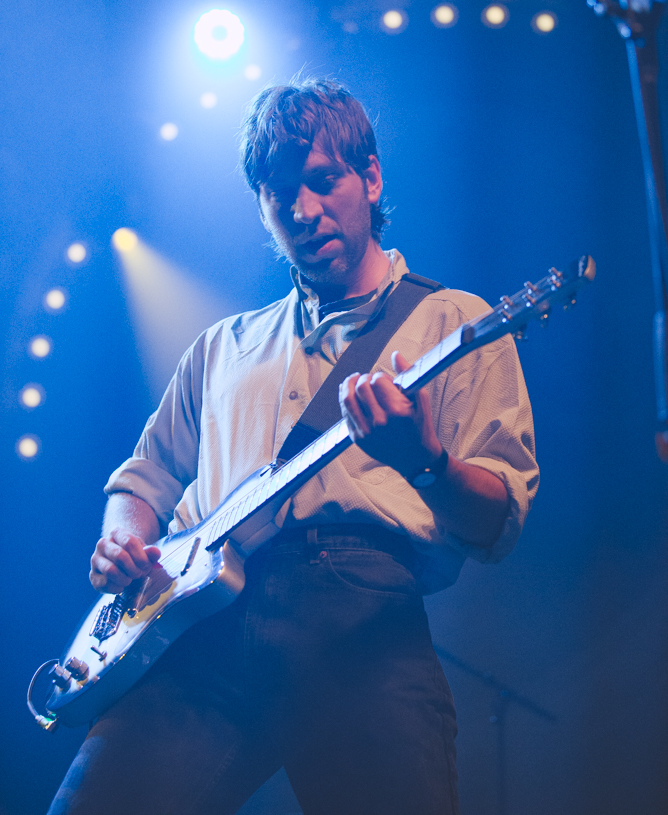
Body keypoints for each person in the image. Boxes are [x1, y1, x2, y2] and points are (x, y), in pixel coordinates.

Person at [48, 78, 538, 815]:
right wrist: (123, 540)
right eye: (281, 193)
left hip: (360, 620)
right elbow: (142, 480)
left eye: (323, 180)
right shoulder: (223, 345)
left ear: (371, 179)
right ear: (261, 208)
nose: (304, 210)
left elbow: (498, 523)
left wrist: (426, 464)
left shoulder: (456, 322)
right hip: (197, 631)